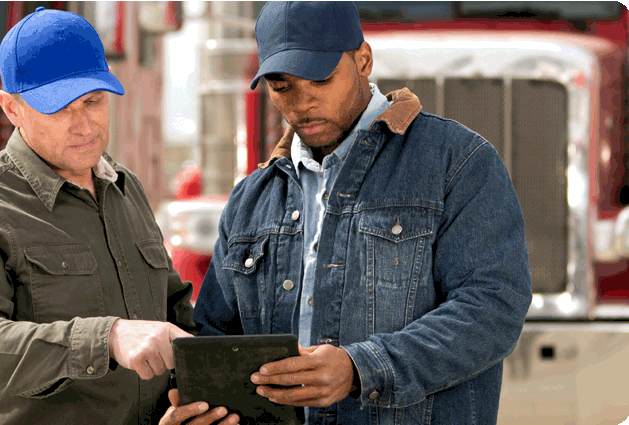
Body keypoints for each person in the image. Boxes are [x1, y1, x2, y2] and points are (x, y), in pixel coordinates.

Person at [167, 2, 533, 424]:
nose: (302, 103)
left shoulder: (457, 162)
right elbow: (216, 337)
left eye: (320, 78)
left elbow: (492, 307)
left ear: (363, 60)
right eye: (282, 86)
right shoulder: (251, 199)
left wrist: (362, 368)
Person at [0, 7, 199, 425]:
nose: (83, 124)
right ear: (12, 108)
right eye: (59, 108)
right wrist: (107, 337)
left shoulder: (126, 188)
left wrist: (190, 397)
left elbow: (172, 313)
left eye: (93, 101)